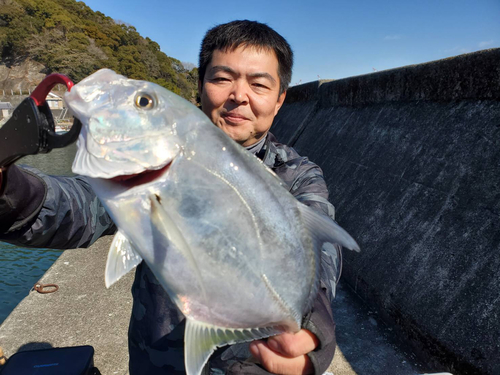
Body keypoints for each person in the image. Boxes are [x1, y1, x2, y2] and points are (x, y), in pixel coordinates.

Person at [0, 20, 339, 375]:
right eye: (222, 78)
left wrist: (312, 325)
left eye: (258, 83)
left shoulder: (298, 175)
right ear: (200, 87)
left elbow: (319, 255)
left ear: (280, 97)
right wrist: (8, 189)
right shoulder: (143, 168)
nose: (239, 95)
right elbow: (75, 207)